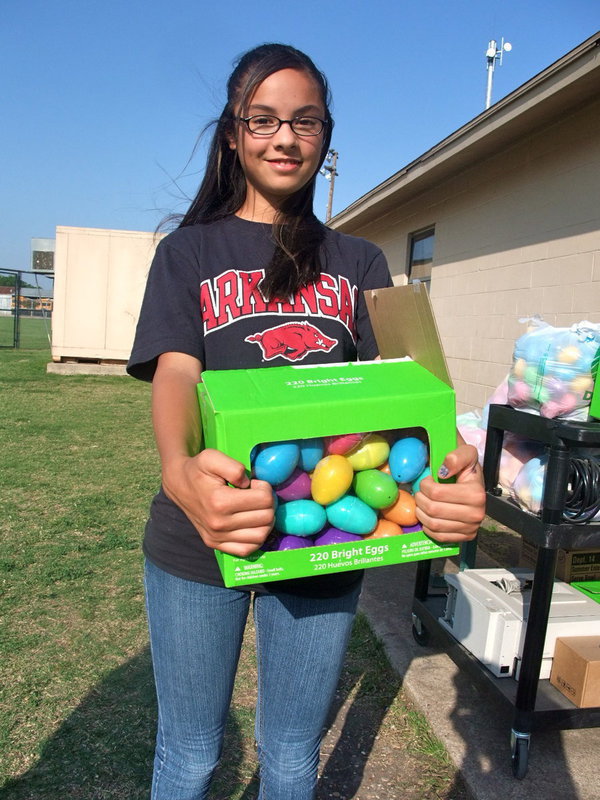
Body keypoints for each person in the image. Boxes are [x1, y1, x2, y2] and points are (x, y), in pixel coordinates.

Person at [127, 42, 486, 800]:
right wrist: (177, 469)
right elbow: (177, 372)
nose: (284, 137)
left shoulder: (358, 262)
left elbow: (408, 389)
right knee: (190, 755)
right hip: (203, 533)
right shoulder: (188, 253)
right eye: (262, 119)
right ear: (233, 134)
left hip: (325, 537)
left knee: (291, 753)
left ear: (325, 138)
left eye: (305, 121)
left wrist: (454, 464)